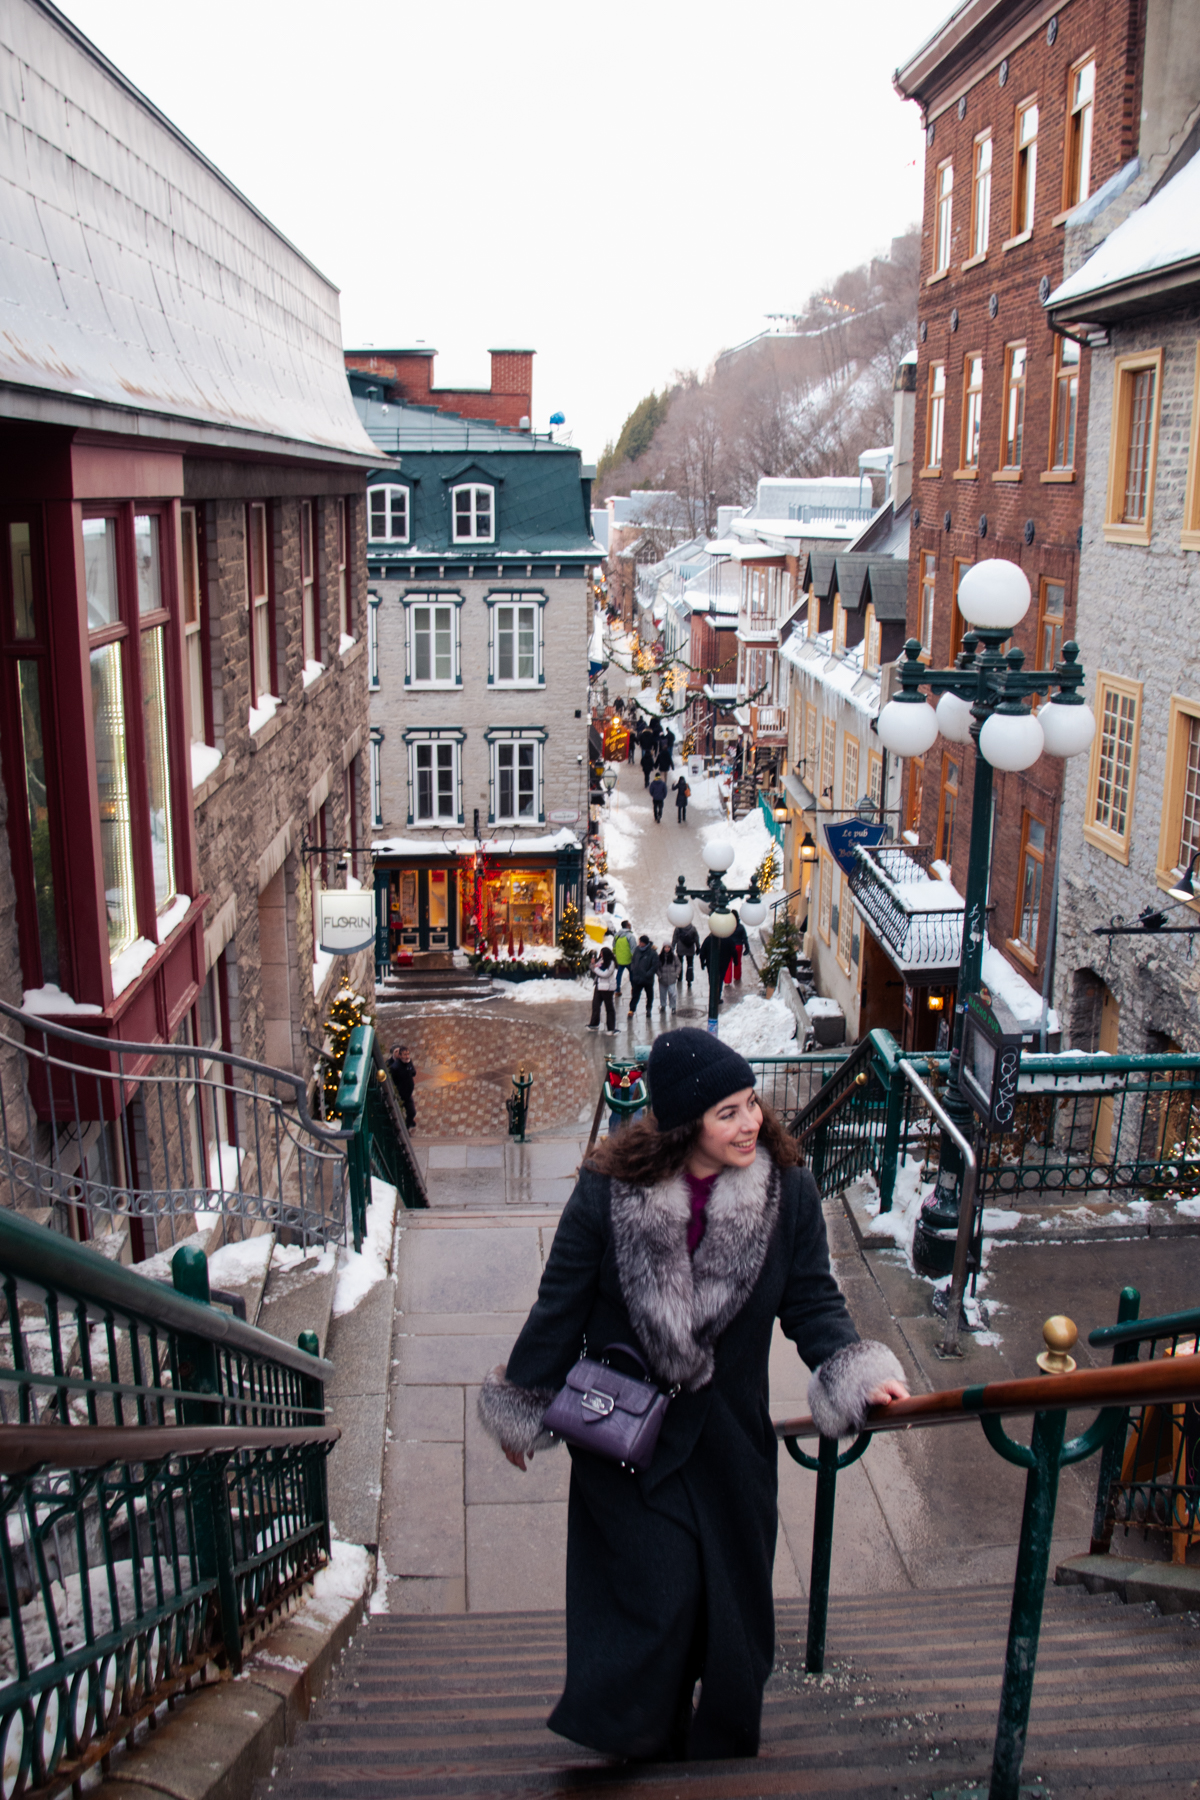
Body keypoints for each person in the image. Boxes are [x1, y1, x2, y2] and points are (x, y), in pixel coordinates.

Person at [477, 1028, 907, 1762]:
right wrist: (526, 1404)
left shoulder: (788, 1194)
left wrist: (853, 1369)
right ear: (685, 1124)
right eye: (727, 1113)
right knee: (656, 1592)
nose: (751, 1125)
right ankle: (638, 1737)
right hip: (626, 1438)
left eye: (751, 1106)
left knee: (733, 1607)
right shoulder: (608, 1193)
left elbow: (811, 1301)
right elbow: (561, 1304)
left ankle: (717, 1740)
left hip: (728, 1441)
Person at [627, 935, 660, 1020]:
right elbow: (633, 960)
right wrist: (633, 969)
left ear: (645, 943)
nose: (639, 943)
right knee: (635, 995)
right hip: (637, 978)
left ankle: (648, 1009)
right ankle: (632, 1009)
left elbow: (655, 965)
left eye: (641, 942)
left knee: (649, 995)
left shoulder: (652, 952)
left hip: (647, 979)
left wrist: (648, 974)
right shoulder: (637, 950)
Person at [587, 946, 618, 1033]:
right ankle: (594, 1023)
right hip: (599, 986)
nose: (601, 955)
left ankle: (611, 1028)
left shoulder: (611, 963)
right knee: (595, 1005)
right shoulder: (601, 961)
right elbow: (593, 969)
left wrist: (595, 968)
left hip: (607, 988)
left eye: (602, 953)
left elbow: (605, 974)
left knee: (609, 1007)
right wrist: (592, 964)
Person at [386, 1044, 417, 1131]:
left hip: (408, 1094)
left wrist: (409, 1069)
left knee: (412, 1112)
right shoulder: (395, 1067)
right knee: (397, 1114)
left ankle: (406, 1127)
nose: (407, 1056)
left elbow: (413, 1072)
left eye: (408, 1054)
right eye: (405, 1055)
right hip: (399, 1094)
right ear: (400, 1055)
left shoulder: (408, 1062)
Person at [671, 918, 700, 985]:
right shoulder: (693, 928)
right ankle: (689, 979)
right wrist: (698, 947)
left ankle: (679, 977)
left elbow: (674, 939)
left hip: (680, 949)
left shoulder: (678, 928)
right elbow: (696, 939)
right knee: (690, 964)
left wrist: (672, 948)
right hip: (690, 949)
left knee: (680, 963)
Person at [724, 916, 750, 985]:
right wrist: (747, 948)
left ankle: (727, 980)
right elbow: (745, 938)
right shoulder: (741, 927)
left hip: (729, 946)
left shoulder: (728, 926)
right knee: (737, 961)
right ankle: (737, 976)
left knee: (728, 963)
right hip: (738, 946)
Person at [612, 920, 635, 995]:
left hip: (620, 960)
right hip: (629, 960)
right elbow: (633, 948)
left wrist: (616, 955)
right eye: (629, 924)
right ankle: (633, 988)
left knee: (619, 975)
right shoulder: (630, 936)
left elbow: (614, 947)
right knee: (632, 974)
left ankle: (617, 990)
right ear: (627, 926)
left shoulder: (617, 936)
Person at [657, 943, 679, 1016]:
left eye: (668, 947)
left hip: (672, 979)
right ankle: (663, 1005)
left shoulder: (674, 957)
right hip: (662, 979)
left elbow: (678, 965)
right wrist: (659, 974)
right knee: (662, 994)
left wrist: (676, 974)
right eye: (665, 947)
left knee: (672, 994)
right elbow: (657, 967)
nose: (666, 949)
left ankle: (673, 1007)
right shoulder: (660, 957)